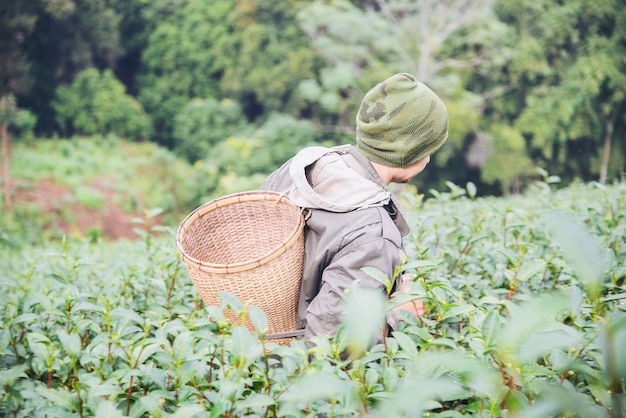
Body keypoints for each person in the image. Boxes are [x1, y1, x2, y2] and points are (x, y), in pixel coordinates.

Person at [260, 72, 448, 344]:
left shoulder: (296, 171)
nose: (429, 158)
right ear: (411, 152)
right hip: (291, 376)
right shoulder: (374, 234)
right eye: (428, 148)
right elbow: (336, 346)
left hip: (251, 360)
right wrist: (397, 314)